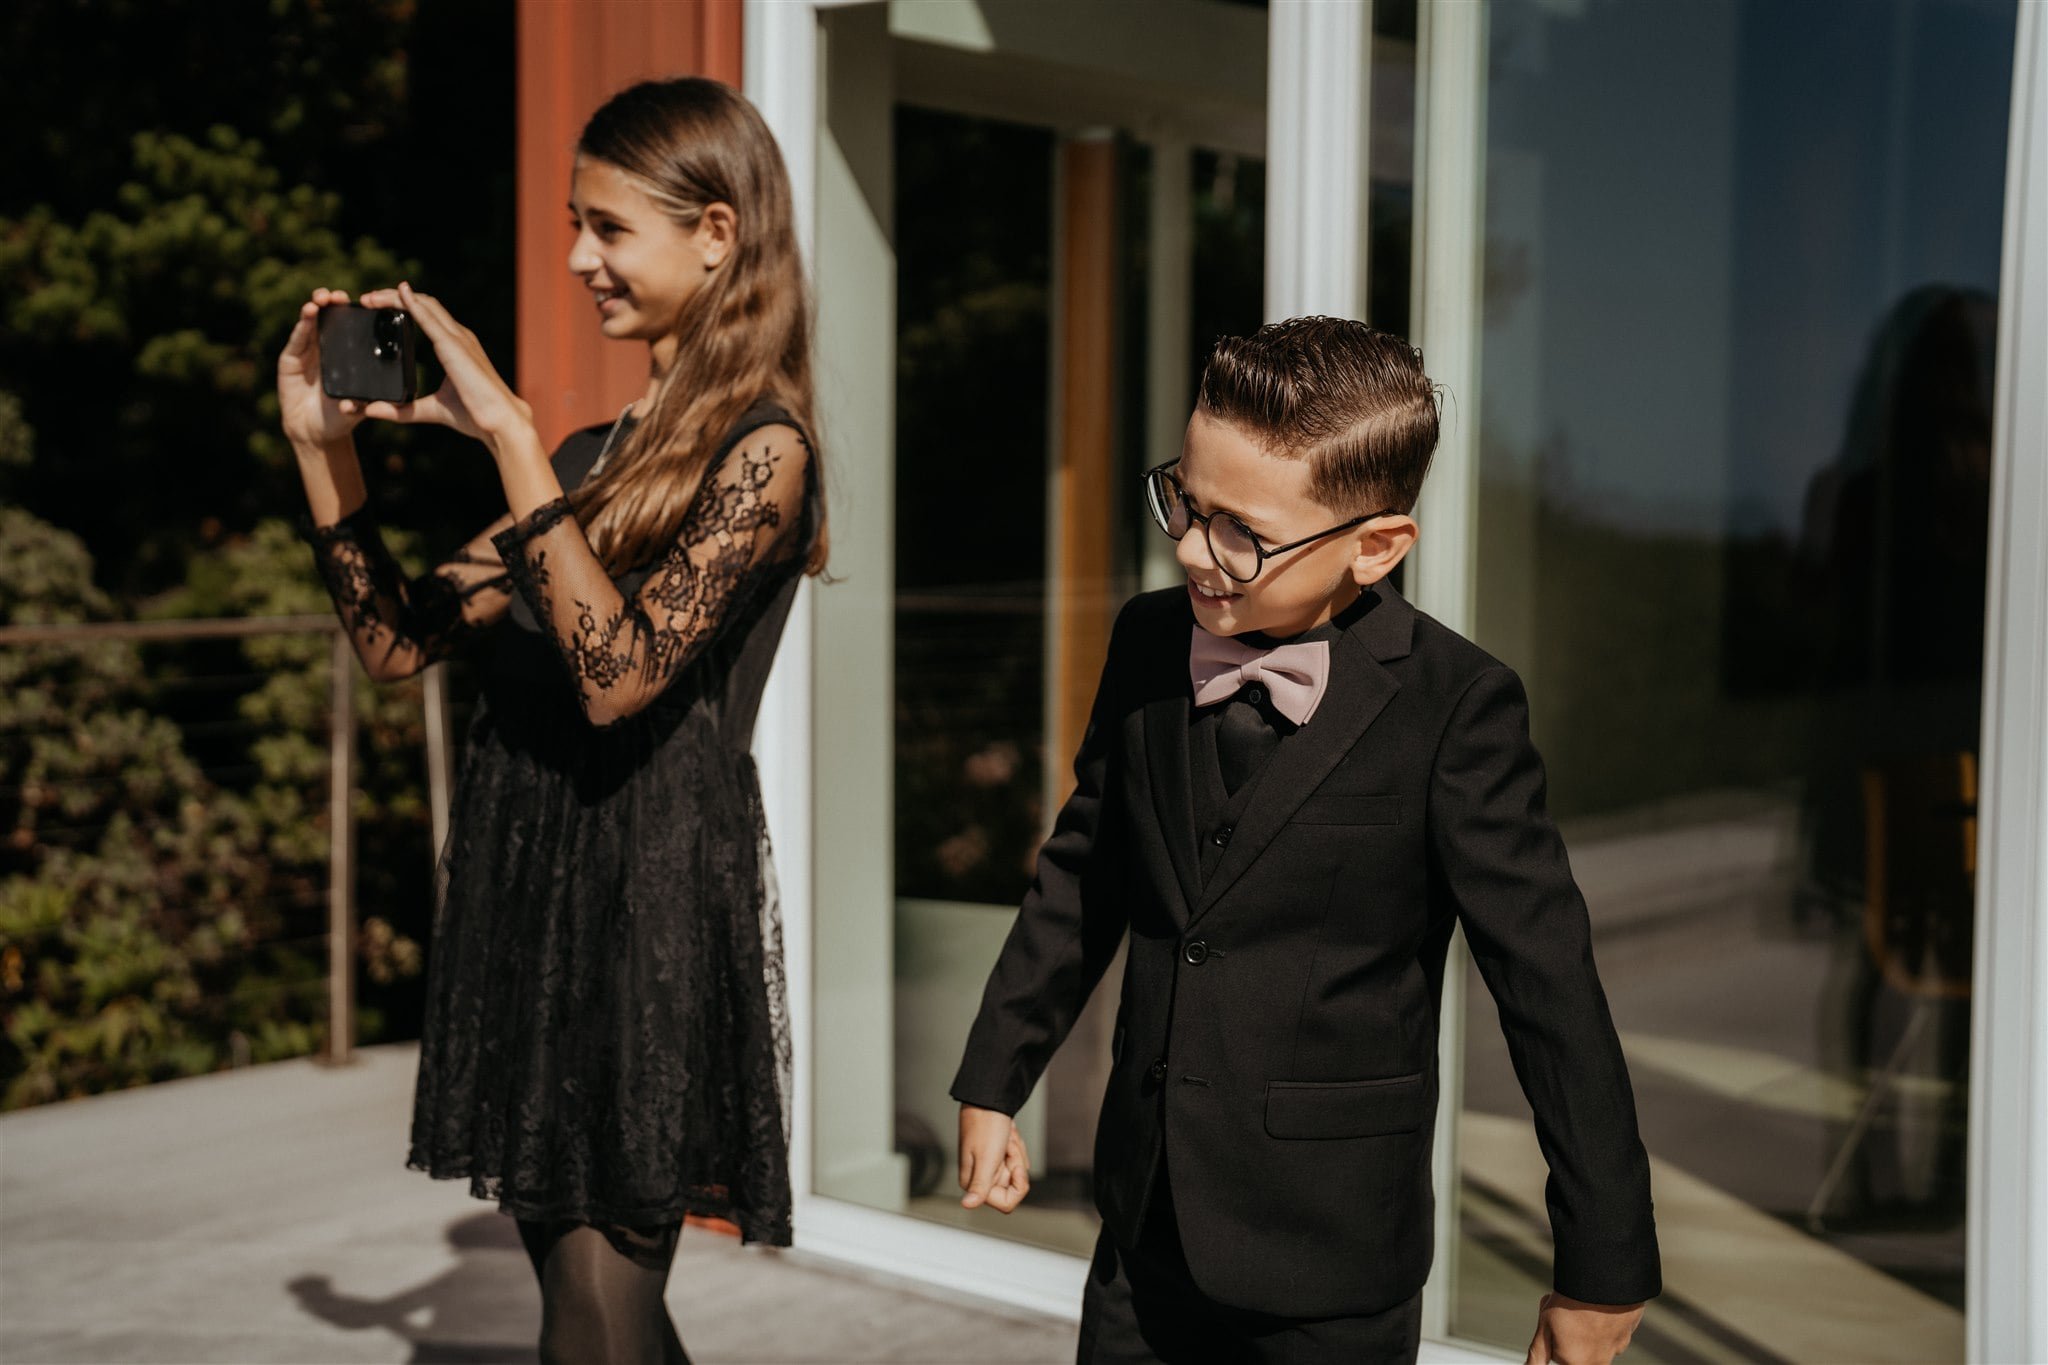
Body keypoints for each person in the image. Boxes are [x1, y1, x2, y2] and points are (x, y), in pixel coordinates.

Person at [951, 318, 1659, 1365]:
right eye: (1184, 502)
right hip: (1143, 1237)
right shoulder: (1149, 639)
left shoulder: (1456, 710)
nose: (1192, 548)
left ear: (1375, 546)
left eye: (1240, 530)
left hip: (1330, 1266)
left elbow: (1547, 992)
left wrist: (1601, 1263)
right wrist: (992, 1075)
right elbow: (1083, 870)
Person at [276, 77, 822, 1365]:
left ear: (716, 233)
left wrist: (513, 442)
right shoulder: (585, 458)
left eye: (607, 229)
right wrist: (322, 452)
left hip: (646, 903)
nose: (577, 258)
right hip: (533, 897)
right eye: (574, 226)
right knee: (585, 1312)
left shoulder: (764, 452)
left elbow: (617, 673)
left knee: (596, 1317)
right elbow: (396, 637)